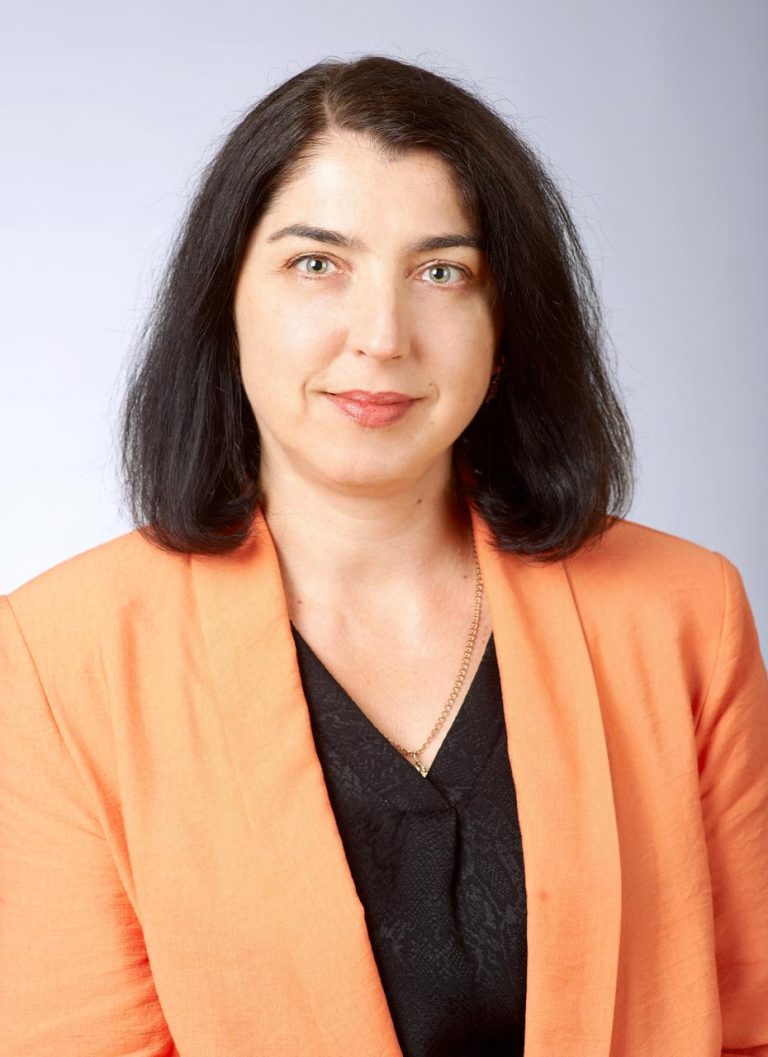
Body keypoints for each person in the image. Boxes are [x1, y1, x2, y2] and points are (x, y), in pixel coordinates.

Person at [1, 54, 766, 1057]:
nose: (382, 336)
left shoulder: (682, 611)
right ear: (225, 300)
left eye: (441, 272)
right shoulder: (58, 658)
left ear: (506, 326)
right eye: (317, 264)